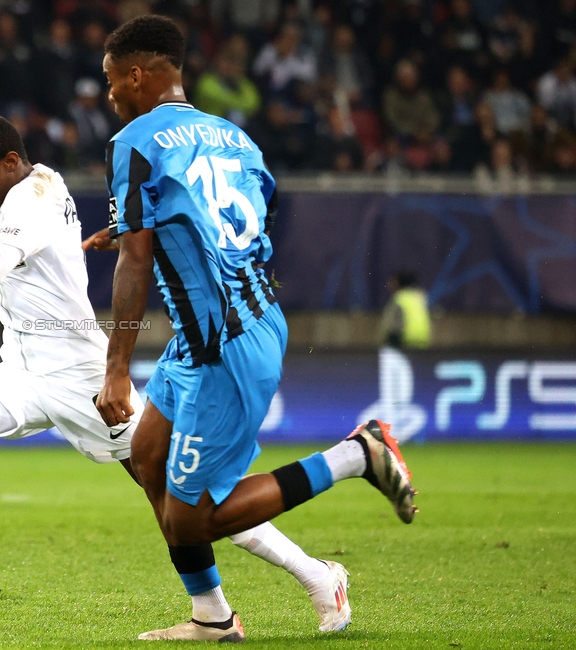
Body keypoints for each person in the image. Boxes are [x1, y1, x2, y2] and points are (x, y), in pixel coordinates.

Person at [0, 113, 357, 631]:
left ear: (11, 163)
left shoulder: (34, 192)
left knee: (181, 500)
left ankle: (311, 577)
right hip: (22, 369)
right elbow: (22, 265)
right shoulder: (22, 188)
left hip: (81, 377)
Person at [87, 16, 417, 642]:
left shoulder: (134, 140)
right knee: (148, 458)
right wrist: (142, 233)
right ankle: (212, 618)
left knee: (195, 518)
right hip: (216, 328)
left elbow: (136, 259)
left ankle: (357, 455)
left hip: (226, 345)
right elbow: (234, 226)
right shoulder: (237, 139)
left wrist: (115, 366)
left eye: (110, 82)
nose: (109, 96)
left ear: (136, 75)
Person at [381, 271, 431, 350]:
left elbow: (392, 326)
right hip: (423, 341)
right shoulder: (420, 298)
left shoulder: (399, 298)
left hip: (405, 342)